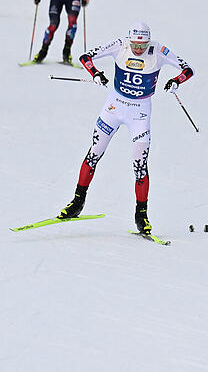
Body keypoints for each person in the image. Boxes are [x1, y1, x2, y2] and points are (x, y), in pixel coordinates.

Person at [58, 22, 194, 234]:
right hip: (113, 107)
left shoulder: (158, 50)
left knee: (140, 165)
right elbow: (86, 58)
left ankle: (141, 216)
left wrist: (177, 80)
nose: (138, 50)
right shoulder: (120, 45)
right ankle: (77, 202)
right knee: (94, 153)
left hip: (139, 113)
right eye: (135, 46)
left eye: (142, 46)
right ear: (129, 40)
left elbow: (188, 69)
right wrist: (95, 73)